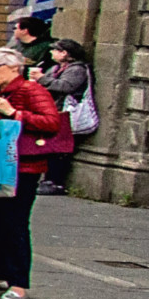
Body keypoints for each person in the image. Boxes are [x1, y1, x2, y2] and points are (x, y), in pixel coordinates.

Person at [0, 46, 64, 299]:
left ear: (13, 67)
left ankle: (19, 283)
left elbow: (52, 123)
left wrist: (15, 113)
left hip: (21, 170)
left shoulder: (32, 90)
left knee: (14, 223)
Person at [38, 39, 94, 196]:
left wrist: (41, 79)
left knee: (59, 149)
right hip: (53, 111)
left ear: (65, 53)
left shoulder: (77, 69)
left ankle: (55, 181)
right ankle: (48, 179)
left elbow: (65, 86)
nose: (52, 53)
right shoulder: (55, 68)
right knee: (50, 147)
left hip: (66, 112)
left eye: (55, 50)